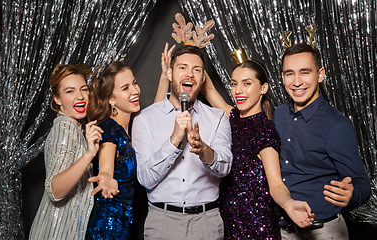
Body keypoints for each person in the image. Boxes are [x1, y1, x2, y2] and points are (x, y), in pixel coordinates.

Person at [200, 60, 315, 239]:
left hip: (256, 228)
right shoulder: (232, 118)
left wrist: (288, 204)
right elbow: (208, 90)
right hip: (230, 223)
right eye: (234, 84)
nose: (238, 90)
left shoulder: (264, 131)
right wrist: (193, 51)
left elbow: (276, 184)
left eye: (247, 83)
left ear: (263, 88)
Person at [132, 45, 233, 240]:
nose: (190, 74)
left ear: (203, 78)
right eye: (182, 68)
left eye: (197, 70)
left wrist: (204, 150)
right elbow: (145, 179)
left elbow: (225, 167)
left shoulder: (218, 118)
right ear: (169, 73)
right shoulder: (145, 119)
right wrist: (174, 141)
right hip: (162, 222)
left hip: (207, 222)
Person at [274, 42, 371, 239]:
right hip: (282, 230)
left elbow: (363, 184)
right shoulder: (279, 114)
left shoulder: (337, 126)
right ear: (283, 77)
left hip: (323, 231)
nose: (297, 81)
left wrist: (352, 194)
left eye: (305, 72)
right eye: (289, 73)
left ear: (320, 74)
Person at [29, 64, 103, 240]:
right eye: (70, 91)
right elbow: (55, 190)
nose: (80, 96)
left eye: (83, 89)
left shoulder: (77, 127)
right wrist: (89, 155)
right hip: (55, 233)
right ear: (57, 99)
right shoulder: (65, 128)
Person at [85, 61, 140, 240]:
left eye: (135, 83)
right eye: (125, 88)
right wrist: (107, 178)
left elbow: (155, 112)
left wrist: (164, 77)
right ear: (111, 99)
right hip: (107, 227)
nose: (135, 91)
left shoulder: (130, 125)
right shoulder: (109, 129)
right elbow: (106, 169)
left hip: (124, 223)